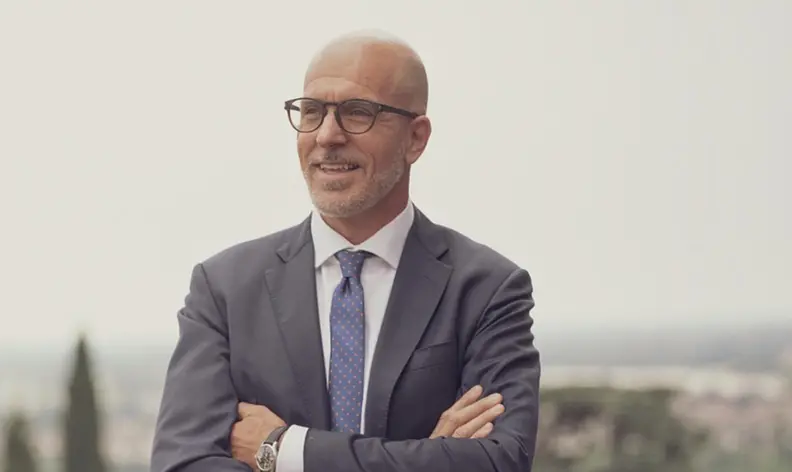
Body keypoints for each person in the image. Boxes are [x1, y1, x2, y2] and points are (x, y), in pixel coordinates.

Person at [150, 30, 540, 472]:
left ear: (416, 138)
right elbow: (182, 464)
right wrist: (426, 457)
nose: (327, 136)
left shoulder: (487, 290)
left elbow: (498, 462)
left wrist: (285, 450)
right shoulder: (225, 289)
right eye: (312, 111)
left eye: (358, 113)